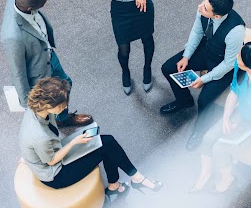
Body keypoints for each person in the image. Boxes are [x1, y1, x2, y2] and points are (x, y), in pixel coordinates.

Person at [19, 77, 162, 201]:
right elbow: (51, 161)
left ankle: (123, 182)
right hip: (56, 175)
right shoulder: (39, 136)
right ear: (49, 104)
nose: (64, 109)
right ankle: (134, 180)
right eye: (62, 106)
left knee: (107, 142)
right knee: (106, 147)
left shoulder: (36, 110)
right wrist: (74, 142)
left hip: (54, 153)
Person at [191, 42, 251, 193]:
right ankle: (205, 174)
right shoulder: (240, 69)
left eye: (240, 57)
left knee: (219, 148)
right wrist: (227, 117)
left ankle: (228, 179)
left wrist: (241, 130)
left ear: (249, 66)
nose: (236, 58)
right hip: (242, 114)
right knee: (208, 138)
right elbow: (234, 91)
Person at [160, 0, 245, 150]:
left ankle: (199, 131)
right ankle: (184, 100)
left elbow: (228, 64)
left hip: (223, 63)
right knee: (168, 68)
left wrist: (204, 80)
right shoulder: (203, 10)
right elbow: (197, 32)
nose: (200, 7)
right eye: (203, 2)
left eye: (205, 8)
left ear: (217, 16)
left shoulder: (236, 31)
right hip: (208, 50)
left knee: (204, 100)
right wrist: (186, 56)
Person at [1, 0, 92, 127]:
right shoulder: (12, 37)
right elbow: (17, 72)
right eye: (44, 0)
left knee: (66, 84)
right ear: (30, 8)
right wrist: (27, 104)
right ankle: (58, 121)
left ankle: (61, 117)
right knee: (52, 99)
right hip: (39, 72)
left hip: (48, 54)